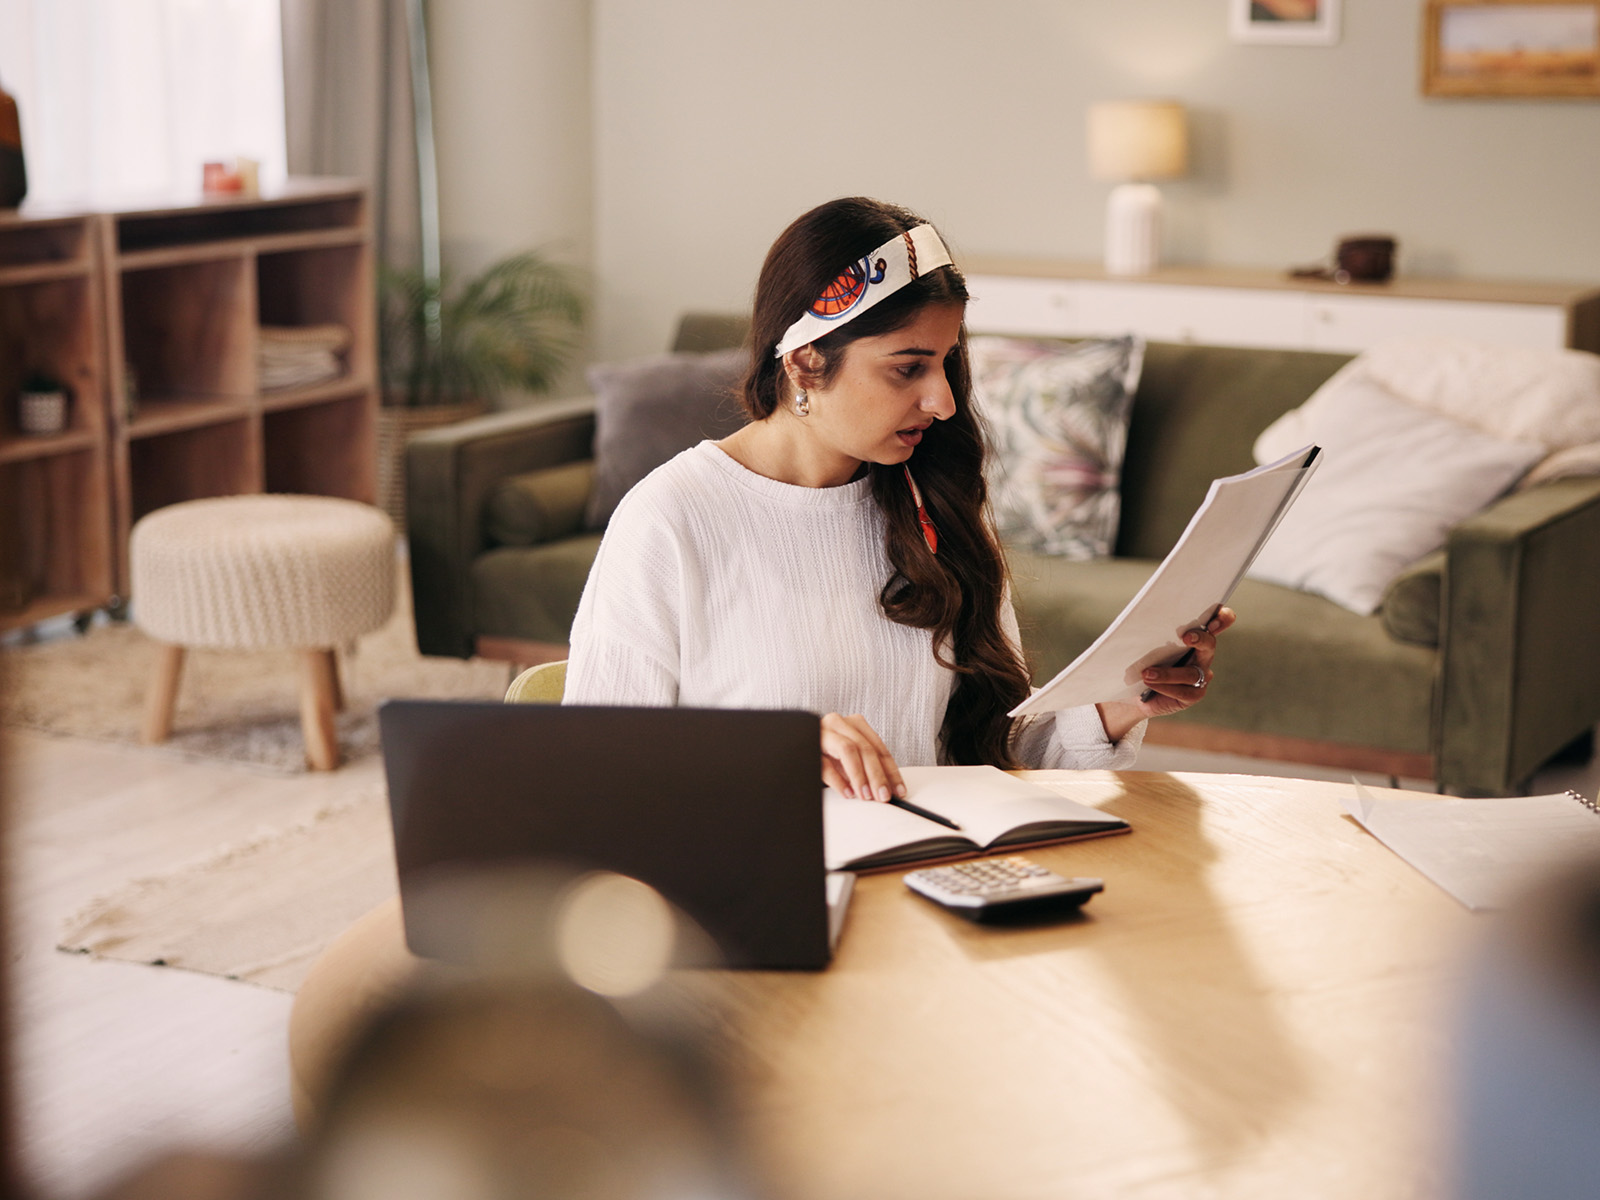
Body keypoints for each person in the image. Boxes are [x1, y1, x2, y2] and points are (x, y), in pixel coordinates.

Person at [565, 197, 1232, 802]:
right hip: (770, 892)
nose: (942, 401)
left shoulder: (933, 506)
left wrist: (1124, 698)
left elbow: (999, 758)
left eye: (945, 362)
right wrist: (774, 751)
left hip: (937, 885)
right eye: (907, 367)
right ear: (804, 362)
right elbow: (592, 770)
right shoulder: (671, 520)